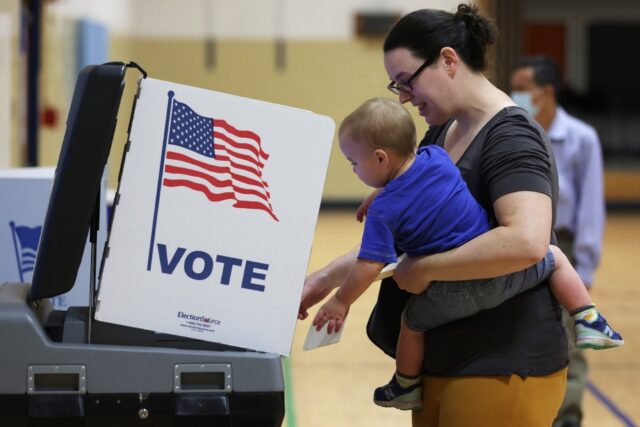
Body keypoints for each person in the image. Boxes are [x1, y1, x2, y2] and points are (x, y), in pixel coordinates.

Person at [299, 4, 568, 426]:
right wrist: (320, 281)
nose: (404, 98)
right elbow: (392, 238)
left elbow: (527, 241)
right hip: (448, 358)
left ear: (447, 60)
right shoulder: (442, 132)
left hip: (502, 363)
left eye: (407, 82)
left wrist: (425, 269)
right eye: (396, 86)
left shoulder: (511, 135)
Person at [311, 97, 622, 411]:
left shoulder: (384, 212)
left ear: (380, 158)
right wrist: (381, 190)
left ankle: (405, 383)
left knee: (413, 321)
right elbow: (411, 176)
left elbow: (368, 264)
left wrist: (341, 300)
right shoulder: (436, 157)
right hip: (500, 272)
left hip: (452, 290)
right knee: (554, 257)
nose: (353, 169)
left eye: (353, 162)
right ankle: (588, 318)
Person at [511, 55, 607, 427]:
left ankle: (567, 417)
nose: (514, 94)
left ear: (546, 91)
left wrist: (585, 265)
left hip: (563, 244)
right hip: (521, 243)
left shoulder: (581, 138)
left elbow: (591, 208)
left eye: (522, 87)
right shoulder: (516, 129)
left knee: (570, 335)